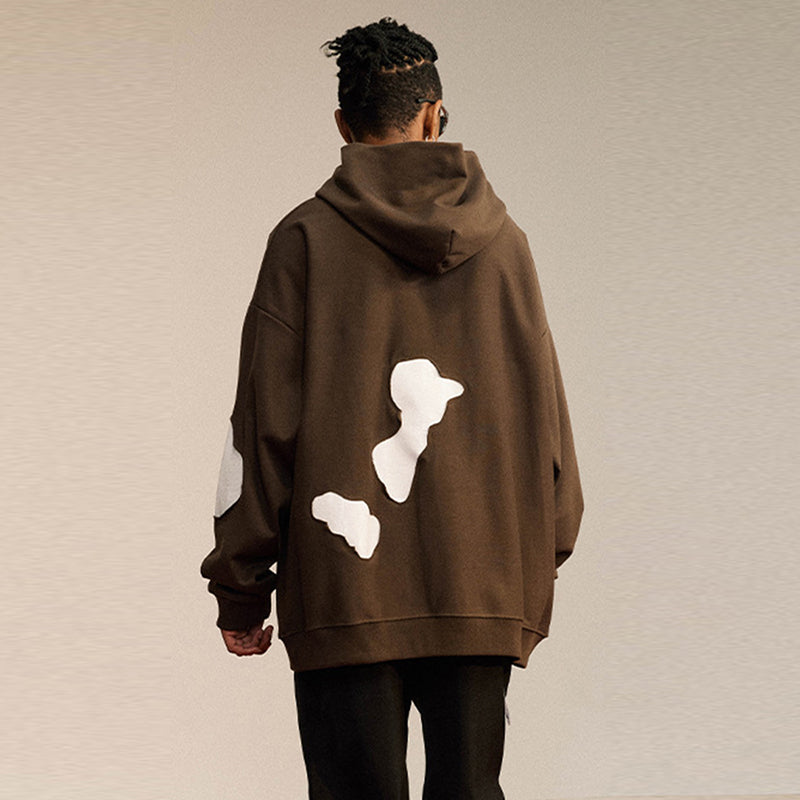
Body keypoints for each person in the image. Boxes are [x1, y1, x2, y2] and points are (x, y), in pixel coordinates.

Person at [200, 16, 584, 800]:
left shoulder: (303, 241)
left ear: (343, 125)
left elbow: (260, 428)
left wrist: (239, 584)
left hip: (346, 586)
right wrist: (535, 554)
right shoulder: (505, 245)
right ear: (435, 115)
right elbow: (546, 414)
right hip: (480, 580)